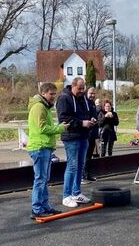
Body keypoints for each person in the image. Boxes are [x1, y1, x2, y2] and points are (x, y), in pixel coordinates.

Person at [27, 83, 68, 219]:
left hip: (44, 147)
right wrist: (60, 128)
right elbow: (42, 129)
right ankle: (37, 208)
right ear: (44, 93)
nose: (53, 97)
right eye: (51, 94)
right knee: (40, 179)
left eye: (54, 94)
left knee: (44, 179)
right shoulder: (39, 107)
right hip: (40, 147)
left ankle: (44, 206)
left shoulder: (44, 107)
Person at [56, 77, 94, 208]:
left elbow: (88, 112)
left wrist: (91, 119)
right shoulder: (64, 98)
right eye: (80, 88)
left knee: (80, 165)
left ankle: (76, 192)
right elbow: (63, 118)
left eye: (83, 88)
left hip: (83, 136)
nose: (82, 91)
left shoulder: (82, 98)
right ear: (73, 86)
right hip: (71, 137)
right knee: (72, 166)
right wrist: (82, 123)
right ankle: (66, 196)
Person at [82, 87, 98, 183]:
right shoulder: (84, 103)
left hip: (93, 132)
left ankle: (87, 174)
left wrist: (94, 119)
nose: (92, 95)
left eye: (93, 93)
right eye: (90, 93)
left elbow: (94, 115)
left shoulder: (92, 103)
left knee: (89, 156)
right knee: (85, 155)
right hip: (86, 133)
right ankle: (83, 175)